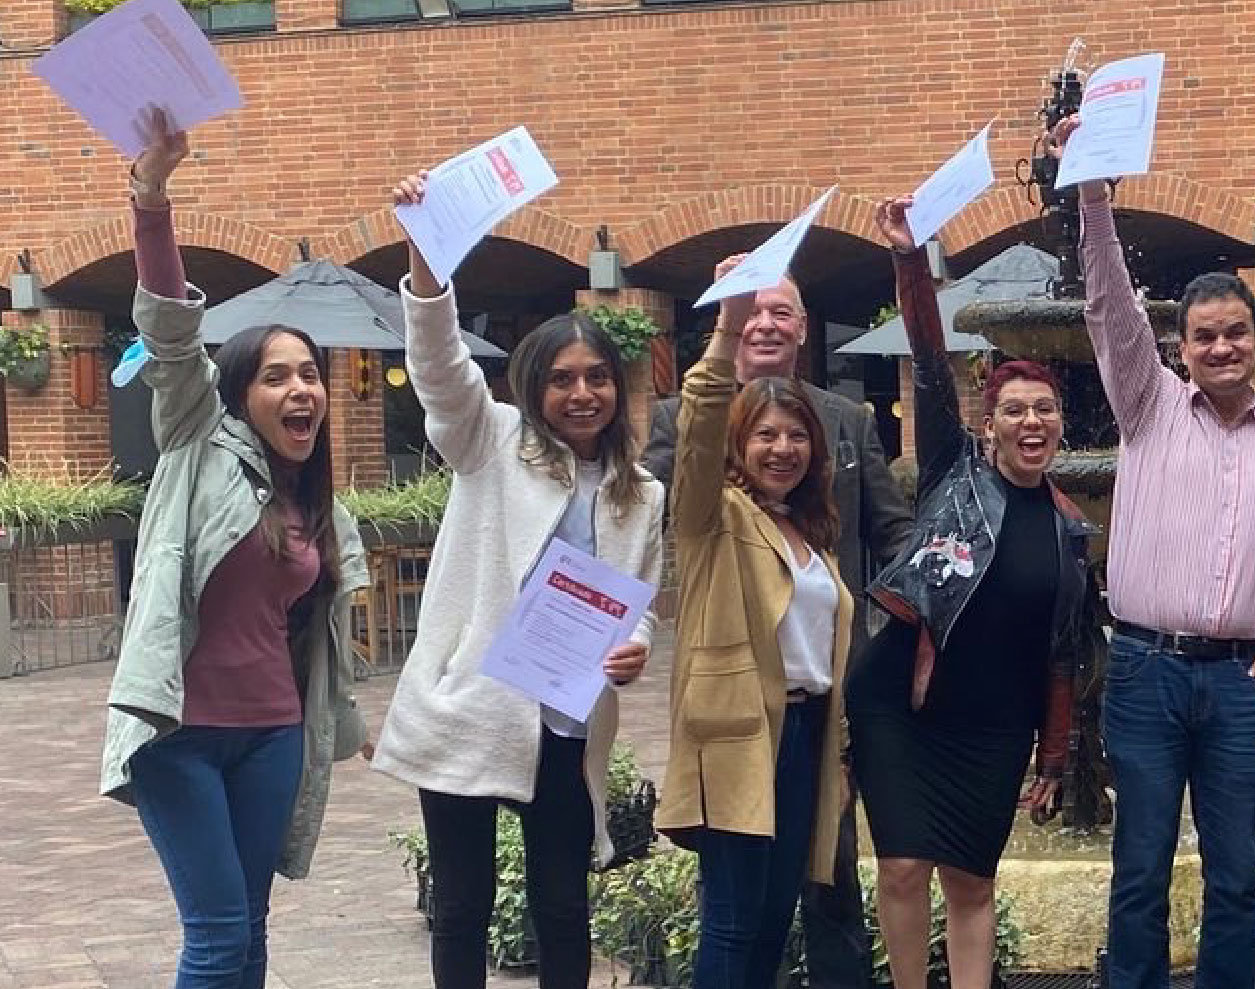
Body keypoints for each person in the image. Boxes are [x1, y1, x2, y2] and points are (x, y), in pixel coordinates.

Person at [99, 107, 372, 989]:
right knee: (216, 937)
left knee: (250, 931)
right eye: (278, 374)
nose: (302, 390)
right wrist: (152, 199)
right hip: (178, 729)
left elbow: (316, 635)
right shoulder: (196, 439)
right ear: (240, 390)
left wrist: (348, 721)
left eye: (311, 376)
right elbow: (172, 332)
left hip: (272, 735)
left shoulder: (321, 505)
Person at [374, 171, 666, 989]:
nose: (581, 393)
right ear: (533, 386)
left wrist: (634, 646)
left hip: (567, 723)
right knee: (461, 907)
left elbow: (635, 599)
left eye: (597, 377)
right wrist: (427, 254)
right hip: (474, 707)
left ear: (618, 386)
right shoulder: (491, 441)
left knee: (563, 906)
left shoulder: (642, 492)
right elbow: (437, 365)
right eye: (562, 378)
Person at [1051, 115, 1255, 989]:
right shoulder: (1149, 405)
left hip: (1240, 680)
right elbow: (1108, 306)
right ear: (1183, 345)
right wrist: (1092, 193)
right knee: (1141, 870)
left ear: (1254, 334)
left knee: (1237, 874)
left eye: (1234, 331)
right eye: (1204, 335)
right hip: (1146, 672)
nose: (1221, 347)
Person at [846, 197, 1098, 989]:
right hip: (904, 704)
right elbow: (928, 359)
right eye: (1014, 410)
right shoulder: (955, 474)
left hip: (993, 726)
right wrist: (911, 261)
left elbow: (1062, 654)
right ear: (989, 425)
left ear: (1061, 426)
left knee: (973, 880)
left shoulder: (1069, 530)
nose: (1031, 421)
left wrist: (1052, 756)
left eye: (1045, 410)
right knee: (902, 867)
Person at [640, 276, 909, 989]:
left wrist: (842, 744)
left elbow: (822, 647)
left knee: (775, 914)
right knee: (731, 919)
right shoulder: (712, 517)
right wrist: (726, 326)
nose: (781, 448)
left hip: (808, 735)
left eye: (794, 436)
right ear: (739, 443)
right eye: (764, 435)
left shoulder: (810, 532)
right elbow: (696, 429)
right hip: (737, 737)